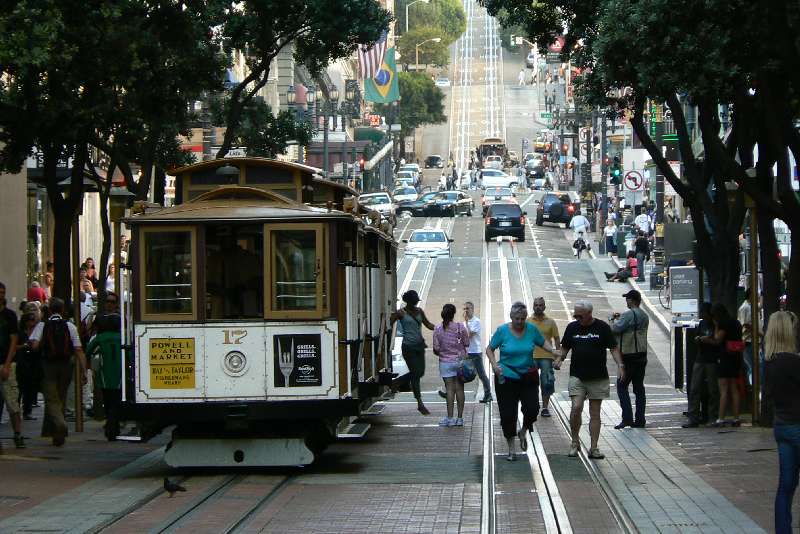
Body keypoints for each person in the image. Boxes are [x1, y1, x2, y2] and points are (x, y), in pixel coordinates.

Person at [486, 302, 559, 461]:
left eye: (522, 319)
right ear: (511, 317)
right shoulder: (502, 331)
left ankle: (524, 430)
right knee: (508, 414)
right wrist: (494, 364)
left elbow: (542, 342)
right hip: (506, 377)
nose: (520, 322)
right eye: (517, 319)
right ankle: (512, 449)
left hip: (528, 375)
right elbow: (489, 349)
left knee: (532, 408)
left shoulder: (531, 329)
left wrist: (552, 350)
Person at [555, 301, 624, 459]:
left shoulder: (602, 327)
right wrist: (560, 359)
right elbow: (565, 347)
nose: (577, 318)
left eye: (580, 315)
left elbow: (613, 347)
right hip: (577, 375)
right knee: (576, 407)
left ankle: (594, 447)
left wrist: (620, 365)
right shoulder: (572, 327)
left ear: (589, 314)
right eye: (575, 315)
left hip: (598, 376)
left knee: (595, 413)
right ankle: (574, 442)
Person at [29, 297, 86, 446]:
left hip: (48, 366)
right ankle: (58, 435)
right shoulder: (70, 326)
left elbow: (34, 346)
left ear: (49, 310)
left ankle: (61, 424)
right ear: (62, 310)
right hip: (66, 366)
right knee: (61, 396)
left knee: (51, 399)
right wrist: (84, 371)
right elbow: (78, 349)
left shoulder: (43, 325)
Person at [763, 311, 800, 534]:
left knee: (786, 485)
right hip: (797, 424)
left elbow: (767, 397)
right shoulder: (793, 362)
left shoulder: (769, 362)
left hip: (781, 426)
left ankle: (782, 530)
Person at [697, 303, 743, 427]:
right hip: (736, 357)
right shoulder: (736, 323)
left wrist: (714, 329)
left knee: (723, 389)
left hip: (725, 358)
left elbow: (718, 339)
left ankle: (720, 418)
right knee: (734, 388)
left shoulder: (723, 324)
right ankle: (736, 418)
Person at [390, 290, 434, 415]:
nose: (416, 303)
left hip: (419, 346)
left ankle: (397, 382)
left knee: (420, 372)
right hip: (408, 347)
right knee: (415, 373)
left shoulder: (420, 311)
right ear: (409, 301)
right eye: (414, 300)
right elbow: (390, 322)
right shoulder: (401, 313)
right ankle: (420, 403)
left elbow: (428, 324)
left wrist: (442, 328)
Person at [610, 290, 650, 429]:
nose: (626, 301)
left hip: (628, 355)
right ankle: (640, 419)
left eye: (627, 299)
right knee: (639, 388)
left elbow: (615, 329)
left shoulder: (628, 314)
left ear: (633, 300)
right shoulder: (644, 315)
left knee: (622, 386)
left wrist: (612, 319)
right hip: (641, 355)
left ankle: (627, 418)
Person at [86, 313, 123, 440]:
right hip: (120, 374)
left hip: (104, 374)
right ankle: (114, 426)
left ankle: (110, 425)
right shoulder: (122, 337)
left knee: (107, 400)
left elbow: (88, 350)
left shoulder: (100, 338)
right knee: (116, 401)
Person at [683, 302, 720, 427]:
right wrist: (699, 339)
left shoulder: (715, 324)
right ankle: (693, 417)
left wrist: (707, 340)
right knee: (695, 388)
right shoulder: (702, 323)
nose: (703, 315)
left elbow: (717, 341)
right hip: (700, 358)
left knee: (712, 389)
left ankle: (712, 416)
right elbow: (697, 337)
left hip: (711, 359)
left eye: (704, 313)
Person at [433, 304, 470, 427]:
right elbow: (466, 343)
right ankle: (460, 419)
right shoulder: (460, 327)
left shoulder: (438, 328)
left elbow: (436, 349)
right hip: (459, 363)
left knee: (449, 389)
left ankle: (449, 418)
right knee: (460, 389)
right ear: (453, 314)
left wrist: (444, 351)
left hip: (445, 362)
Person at [528, 297, 560, 417]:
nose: (538, 307)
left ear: (544, 307)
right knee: (531, 382)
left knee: (547, 381)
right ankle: (533, 404)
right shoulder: (528, 321)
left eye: (540, 305)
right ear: (533, 306)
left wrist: (558, 356)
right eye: (536, 305)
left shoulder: (550, 321)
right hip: (531, 356)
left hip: (547, 356)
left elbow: (557, 339)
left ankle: (545, 407)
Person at [0, 293, 24, 449]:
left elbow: (14, 340)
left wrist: (7, 364)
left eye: (2, 293)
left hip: (7, 364)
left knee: (12, 403)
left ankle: (17, 434)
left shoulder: (9, 316)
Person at [463, 301, 492, 403]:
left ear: (472, 309)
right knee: (460, 373)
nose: (466, 311)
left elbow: (469, 335)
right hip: (466, 352)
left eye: (468, 308)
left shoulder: (476, 321)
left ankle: (488, 395)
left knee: (481, 374)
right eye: (465, 309)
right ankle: (451, 392)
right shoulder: (464, 323)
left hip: (475, 352)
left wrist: (466, 323)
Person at [16, 311, 42, 421]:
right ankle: (17, 410)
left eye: (34, 320)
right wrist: (24, 346)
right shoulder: (20, 333)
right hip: (21, 362)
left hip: (33, 362)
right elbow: (14, 346)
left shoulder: (37, 331)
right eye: (30, 320)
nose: (32, 322)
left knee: (30, 388)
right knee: (20, 388)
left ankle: (27, 411)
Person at [738, 287, 759, 386]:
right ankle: (752, 386)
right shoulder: (745, 307)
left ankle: (754, 385)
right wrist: (757, 332)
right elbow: (745, 324)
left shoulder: (751, 306)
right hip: (747, 341)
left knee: (755, 365)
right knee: (751, 366)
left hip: (753, 340)